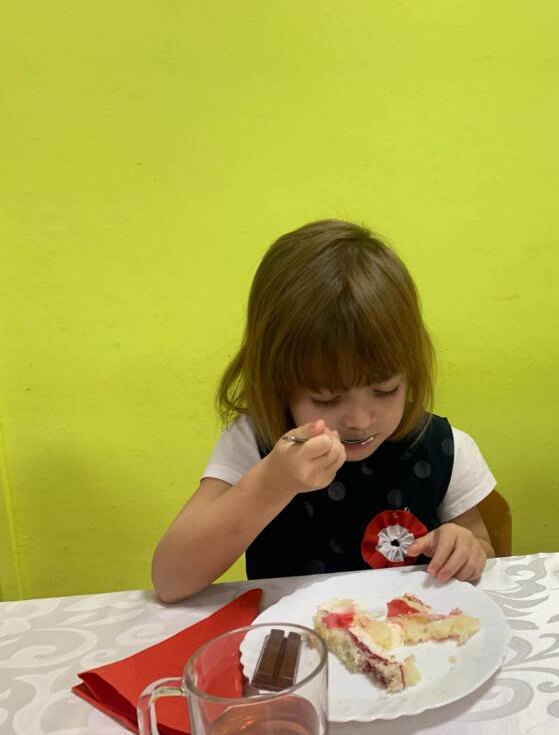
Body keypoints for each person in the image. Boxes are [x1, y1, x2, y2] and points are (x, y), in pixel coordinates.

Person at [152, 220, 497, 602]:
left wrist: (464, 548)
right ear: (279, 382)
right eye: (327, 399)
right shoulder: (256, 443)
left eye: (385, 390)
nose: (359, 421)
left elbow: (482, 547)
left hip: (406, 632)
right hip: (294, 636)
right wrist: (271, 484)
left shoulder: (443, 448)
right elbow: (171, 580)